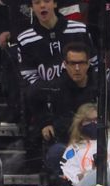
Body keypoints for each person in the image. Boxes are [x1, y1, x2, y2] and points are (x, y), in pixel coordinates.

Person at [32, 43, 98, 178]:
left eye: (81, 63)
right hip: (67, 142)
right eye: (72, 63)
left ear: (88, 63)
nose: (77, 68)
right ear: (65, 64)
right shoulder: (56, 87)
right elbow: (32, 95)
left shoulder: (101, 86)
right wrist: (45, 122)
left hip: (97, 143)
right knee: (56, 152)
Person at [59, 103, 110, 186]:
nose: (93, 123)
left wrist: (94, 174)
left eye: (96, 120)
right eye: (88, 120)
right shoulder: (74, 147)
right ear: (80, 123)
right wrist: (85, 176)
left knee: (97, 175)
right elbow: (69, 171)